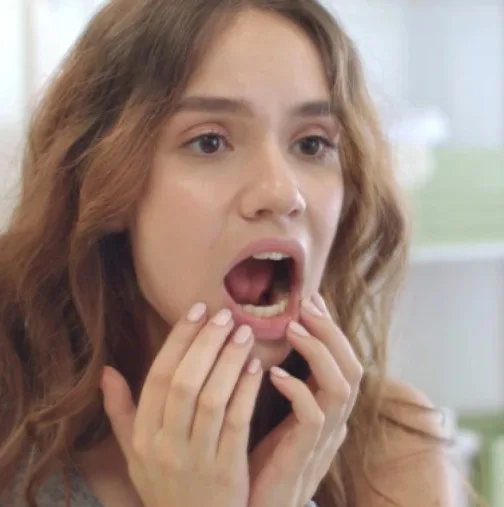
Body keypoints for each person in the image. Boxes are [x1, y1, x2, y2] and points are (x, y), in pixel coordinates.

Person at [0, 0, 454, 506]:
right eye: (210, 142)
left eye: (311, 145)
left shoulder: (392, 452)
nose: (282, 193)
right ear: (103, 181)